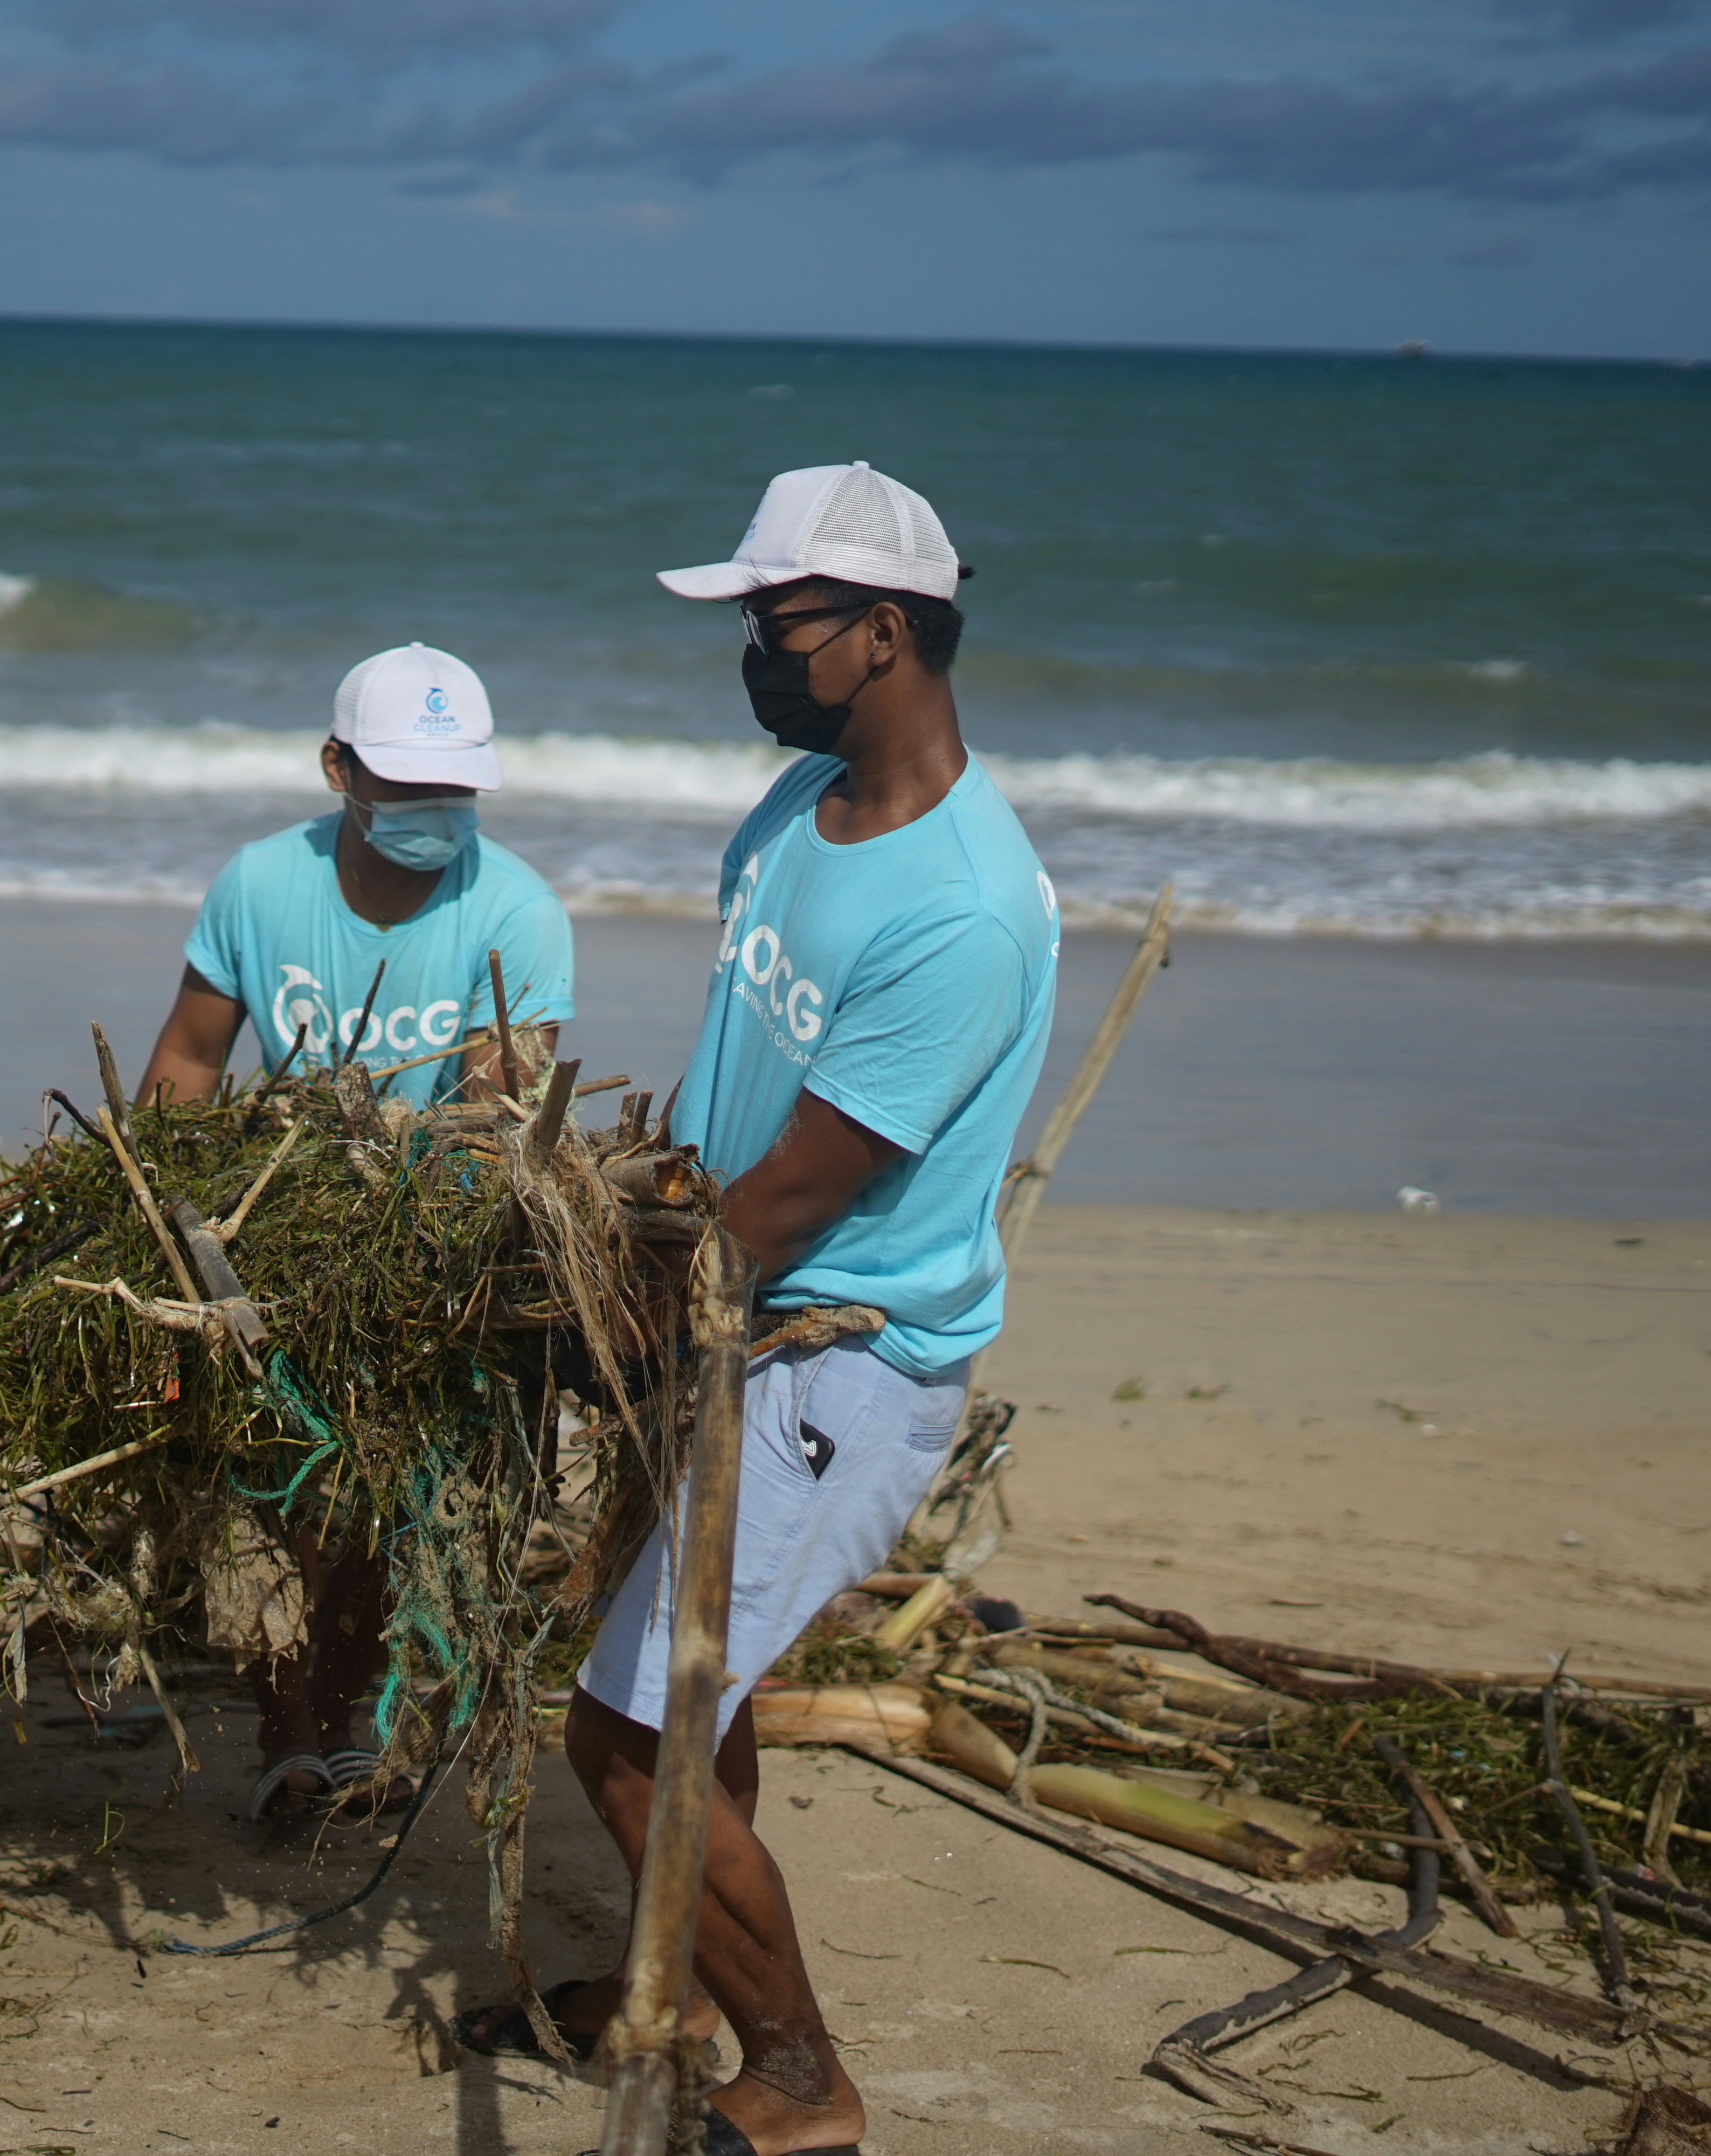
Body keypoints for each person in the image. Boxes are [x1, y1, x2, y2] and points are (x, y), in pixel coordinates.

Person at [458, 464, 1057, 2156]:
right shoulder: (796, 814)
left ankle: (800, 2074)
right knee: (690, 1699)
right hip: (730, 1309)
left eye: (772, 623)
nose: (748, 655)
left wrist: (601, 1327)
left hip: (831, 1363)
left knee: (625, 1737)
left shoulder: (963, 912)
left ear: (882, 635)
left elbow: (804, 1190)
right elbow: (741, 1113)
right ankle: (683, 1986)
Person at [134, 641, 575, 1818]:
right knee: (273, 1489)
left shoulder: (519, 912)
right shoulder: (259, 886)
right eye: (407, 785)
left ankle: (360, 1703)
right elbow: (187, 1056)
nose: (436, 813)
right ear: (338, 766)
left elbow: (498, 1114)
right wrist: (146, 1206)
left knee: (385, 1487)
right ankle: (287, 1722)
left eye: (455, 790)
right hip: (269, 1217)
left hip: (423, 1240)